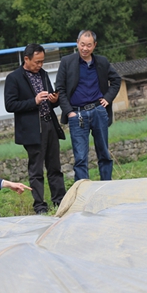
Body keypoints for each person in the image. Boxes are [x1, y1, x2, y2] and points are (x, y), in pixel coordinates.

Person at [4, 44, 67, 215]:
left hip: (49, 124)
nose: (40, 65)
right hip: (32, 129)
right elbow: (10, 105)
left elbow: (52, 98)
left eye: (42, 62)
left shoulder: (44, 74)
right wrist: (34, 101)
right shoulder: (14, 78)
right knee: (36, 169)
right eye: (37, 62)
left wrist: (54, 100)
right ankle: (40, 205)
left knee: (55, 166)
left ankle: (59, 200)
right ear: (26, 59)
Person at [55, 30, 122, 181]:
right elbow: (60, 88)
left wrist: (107, 98)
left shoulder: (102, 62)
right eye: (82, 44)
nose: (85, 48)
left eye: (89, 45)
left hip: (98, 111)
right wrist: (69, 112)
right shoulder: (67, 62)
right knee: (80, 157)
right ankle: (83, 191)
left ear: (94, 46)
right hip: (77, 114)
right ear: (77, 43)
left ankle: (107, 185)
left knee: (104, 153)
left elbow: (116, 80)